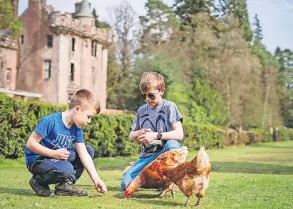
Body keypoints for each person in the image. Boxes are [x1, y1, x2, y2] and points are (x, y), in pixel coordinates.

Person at [25, 89, 107, 197]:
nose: (89, 121)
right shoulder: (50, 121)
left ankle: (64, 186)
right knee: (66, 168)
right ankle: (38, 181)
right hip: (38, 160)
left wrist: (96, 179)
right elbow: (30, 143)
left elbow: (84, 155)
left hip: (56, 159)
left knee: (88, 150)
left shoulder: (77, 129)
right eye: (88, 116)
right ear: (77, 109)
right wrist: (52, 154)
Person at [121, 72, 184, 191]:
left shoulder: (169, 106)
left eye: (151, 95)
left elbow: (179, 134)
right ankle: (155, 180)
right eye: (143, 96)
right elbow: (131, 136)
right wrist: (139, 132)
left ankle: (167, 178)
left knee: (172, 145)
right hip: (148, 155)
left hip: (165, 153)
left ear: (162, 90)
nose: (147, 99)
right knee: (126, 185)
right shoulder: (141, 110)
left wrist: (156, 135)